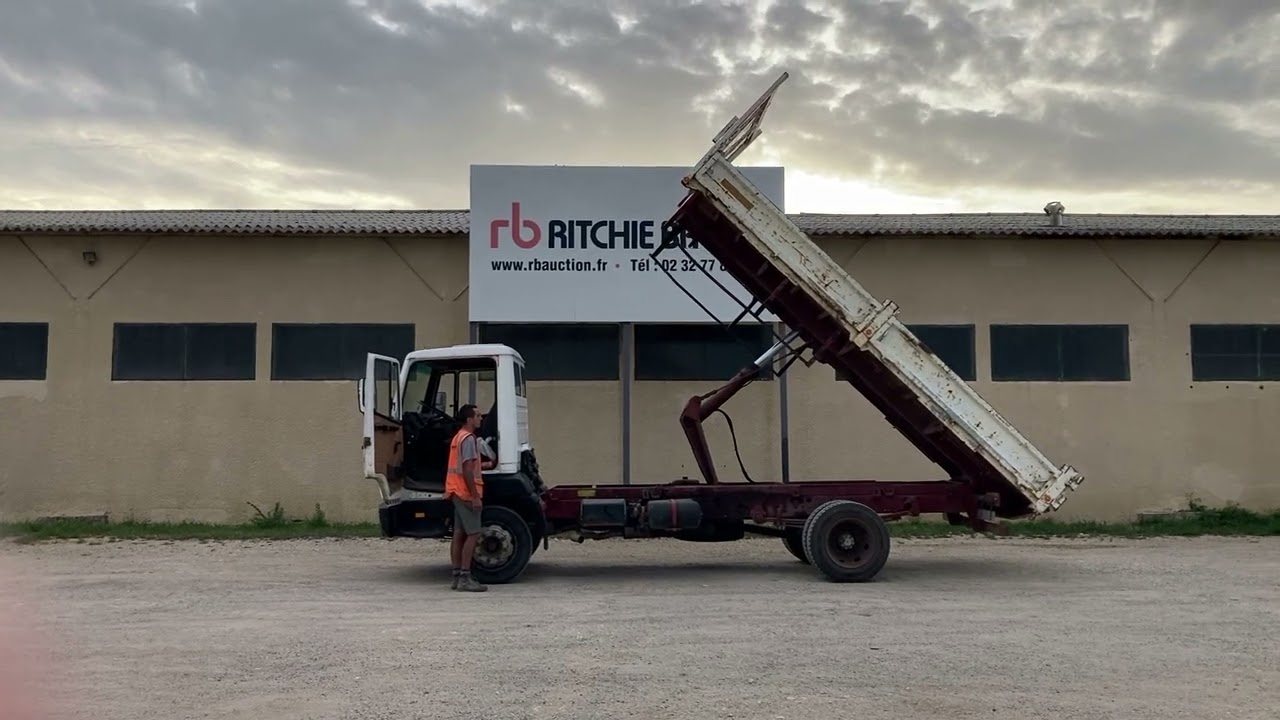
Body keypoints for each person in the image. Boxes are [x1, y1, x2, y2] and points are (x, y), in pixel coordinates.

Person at [444, 404, 492, 592]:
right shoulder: (470, 439)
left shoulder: (459, 437)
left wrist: (485, 465)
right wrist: (475, 496)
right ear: (469, 419)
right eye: (478, 415)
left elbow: (468, 466)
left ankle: (457, 577)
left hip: (456, 491)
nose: (481, 418)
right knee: (473, 534)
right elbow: (467, 469)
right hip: (466, 493)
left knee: (458, 534)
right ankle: (465, 577)